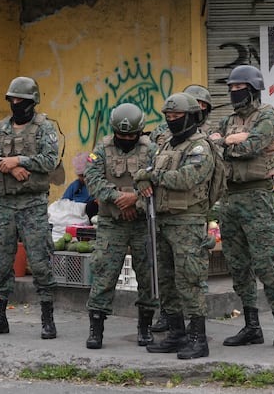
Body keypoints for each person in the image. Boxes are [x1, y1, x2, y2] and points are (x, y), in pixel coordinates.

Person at [210, 65, 274, 352]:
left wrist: (228, 143)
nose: (235, 93)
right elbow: (214, 147)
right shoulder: (228, 121)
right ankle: (251, 326)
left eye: (240, 89)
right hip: (230, 198)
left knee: (265, 266)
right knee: (238, 267)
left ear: (253, 89)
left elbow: (253, 147)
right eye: (232, 89)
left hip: (257, 197)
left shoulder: (267, 116)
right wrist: (231, 140)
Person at [0, 76, 59, 340]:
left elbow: (49, 160)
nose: (16, 104)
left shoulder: (44, 128)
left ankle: (48, 318)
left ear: (32, 102)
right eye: (12, 100)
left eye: (21, 101)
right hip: (4, 205)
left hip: (33, 204)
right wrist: (10, 163)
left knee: (40, 261)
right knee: (1, 261)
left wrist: (19, 159)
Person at [136, 92, 215, 359]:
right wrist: (144, 181)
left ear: (191, 117)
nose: (171, 121)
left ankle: (198, 338)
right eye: (168, 117)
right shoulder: (166, 145)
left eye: (177, 117)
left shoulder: (200, 147)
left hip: (188, 222)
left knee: (190, 280)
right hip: (162, 219)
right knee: (167, 280)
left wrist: (151, 176)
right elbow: (145, 171)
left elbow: (186, 178)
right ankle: (176, 332)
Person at [84, 103, 157, 349]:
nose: (126, 139)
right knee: (104, 272)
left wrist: (135, 199)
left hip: (141, 223)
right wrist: (118, 198)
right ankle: (96, 329)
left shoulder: (151, 150)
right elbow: (92, 179)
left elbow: (157, 179)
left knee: (147, 274)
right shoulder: (102, 150)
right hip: (111, 221)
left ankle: (145, 327)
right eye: (121, 135)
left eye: (130, 136)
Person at [62, 152, 98, 218]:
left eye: (85, 175)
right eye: (81, 176)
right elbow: (64, 203)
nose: (84, 179)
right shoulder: (74, 186)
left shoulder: (98, 185)